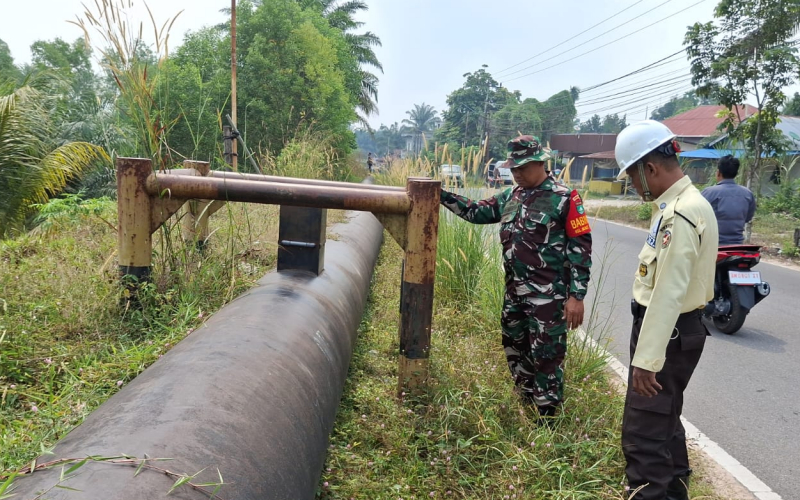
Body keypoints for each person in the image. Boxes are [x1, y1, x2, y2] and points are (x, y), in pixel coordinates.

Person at [440, 135, 592, 417]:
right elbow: (475, 212)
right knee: (515, 348)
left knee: (547, 356)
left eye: (522, 167)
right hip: (514, 294)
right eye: (513, 168)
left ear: (540, 163)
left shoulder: (564, 198)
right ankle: (526, 404)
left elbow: (580, 249)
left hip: (549, 298)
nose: (517, 173)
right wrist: (440, 195)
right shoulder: (512, 196)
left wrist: (576, 296)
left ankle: (547, 419)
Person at [614, 121, 719, 500]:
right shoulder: (684, 204)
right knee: (665, 422)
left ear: (650, 168)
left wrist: (647, 360)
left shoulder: (680, 214)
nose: (633, 185)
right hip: (675, 333)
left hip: (668, 334)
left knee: (644, 435)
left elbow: (668, 293)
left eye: (632, 176)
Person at [701, 155, 756, 245]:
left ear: (718, 173)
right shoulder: (747, 194)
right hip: (737, 245)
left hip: (713, 245)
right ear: (736, 174)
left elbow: (696, 216)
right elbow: (748, 217)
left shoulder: (709, 192)